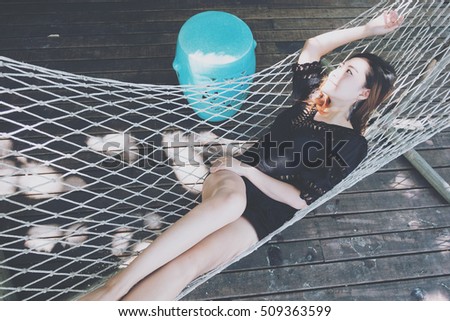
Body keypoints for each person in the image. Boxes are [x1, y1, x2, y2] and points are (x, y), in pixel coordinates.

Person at [79, 9, 403, 301]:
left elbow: (302, 199)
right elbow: (315, 46)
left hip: (267, 210)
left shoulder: (354, 143)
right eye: (342, 66)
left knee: (184, 268)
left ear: (364, 93)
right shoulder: (312, 97)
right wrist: (370, 29)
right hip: (233, 177)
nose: (336, 72)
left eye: (349, 73)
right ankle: (115, 288)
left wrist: (252, 174)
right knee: (230, 203)